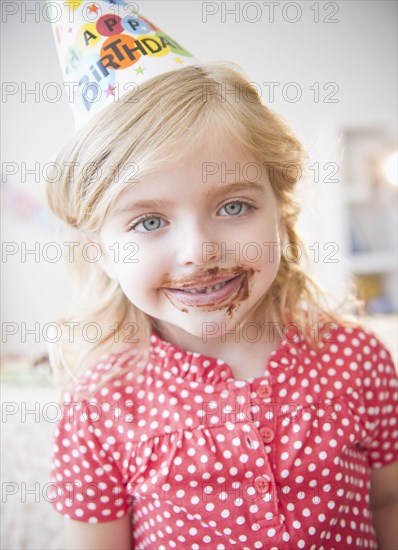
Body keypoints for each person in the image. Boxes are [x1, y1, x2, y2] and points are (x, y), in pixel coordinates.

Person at [45, 5, 398, 550]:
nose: (200, 252)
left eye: (233, 207)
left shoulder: (356, 359)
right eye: (150, 221)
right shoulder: (100, 404)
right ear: (103, 252)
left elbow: (387, 501)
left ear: (279, 209)